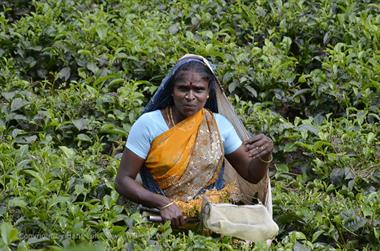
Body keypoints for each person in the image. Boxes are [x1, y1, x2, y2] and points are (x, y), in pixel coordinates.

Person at [115, 54, 273, 228]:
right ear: (171, 91)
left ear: (207, 94)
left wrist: (264, 155)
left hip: (210, 220)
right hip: (158, 220)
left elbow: (251, 175)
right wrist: (162, 203)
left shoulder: (220, 126)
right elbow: (123, 180)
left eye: (198, 90)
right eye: (183, 89)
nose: (190, 97)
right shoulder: (148, 124)